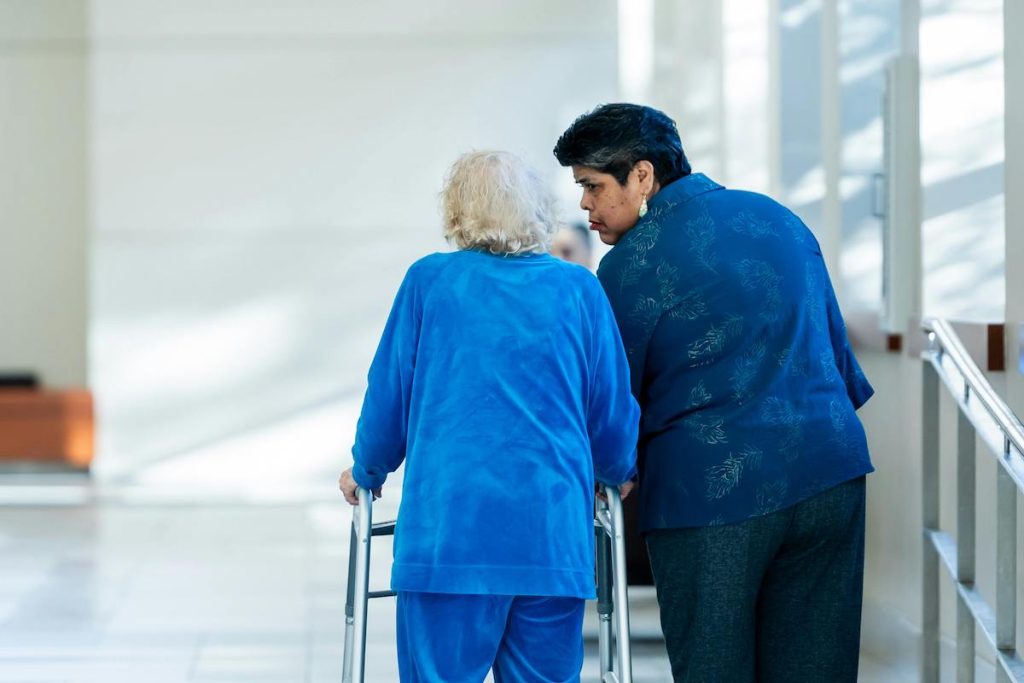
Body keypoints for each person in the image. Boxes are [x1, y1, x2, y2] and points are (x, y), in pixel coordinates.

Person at [553, 103, 874, 683]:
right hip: (831, 474)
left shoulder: (629, 266)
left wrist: (606, 475)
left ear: (643, 175)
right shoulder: (779, 219)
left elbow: (611, 404)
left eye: (592, 186)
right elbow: (838, 359)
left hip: (712, 496)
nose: (584, 206)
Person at [338, 150, 639, 683]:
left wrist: (366, 472)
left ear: (457, 212)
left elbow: (390, 394)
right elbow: (610, 410)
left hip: (448, 537)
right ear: (538, 211)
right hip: (549, 540)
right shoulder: (578, 290)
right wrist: (615, 472)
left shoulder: (429, 282)